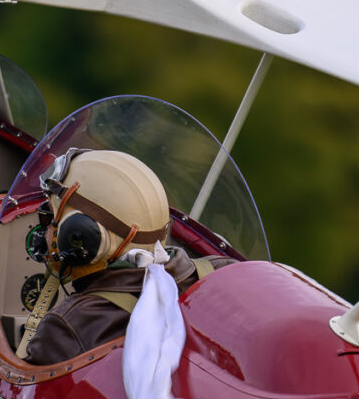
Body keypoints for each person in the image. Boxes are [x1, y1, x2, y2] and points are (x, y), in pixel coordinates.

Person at [23, 149, 234, 366]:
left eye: (49, 217)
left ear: (80, 237)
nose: (46, 230)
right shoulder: (223, 272)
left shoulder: (68, 328)